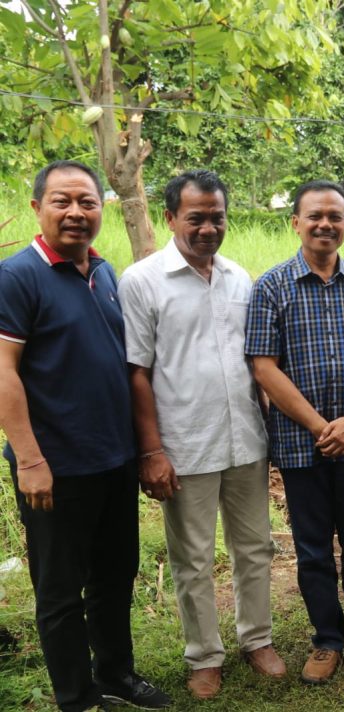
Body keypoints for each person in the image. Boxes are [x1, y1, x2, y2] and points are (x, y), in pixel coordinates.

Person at [0, 161, 171, 711]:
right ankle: (77, 698)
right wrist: (29, 459)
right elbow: (3, 368)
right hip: (54, 467)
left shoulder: (104, 273)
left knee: (115, 575)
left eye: (87, 202)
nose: (76, 213)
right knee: (59, 591)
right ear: (37, 209)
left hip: (112, 459)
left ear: (102, 208)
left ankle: (116, 675)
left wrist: (144, 449)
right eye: (62, 202)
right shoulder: (17, 276)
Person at [119, 170, 283, 700]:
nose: (208, 227)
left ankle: (256, 640)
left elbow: (257, 363)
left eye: (217, 217)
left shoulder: (240, 278)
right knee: (192, 558)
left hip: (245, 440)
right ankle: (203, 657)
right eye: (196, 217)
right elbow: (136, 372)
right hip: (184, 443)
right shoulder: (142, 281)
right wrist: (151, 450)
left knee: (254, 548)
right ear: (170, 218)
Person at [246, 179, 344, 685]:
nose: (325, 224)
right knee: (312, 548)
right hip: (298, 444)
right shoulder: (271, 286)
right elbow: (264, 367)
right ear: (296, 223)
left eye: (335, 215)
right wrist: (318, 426)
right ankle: (327, 639)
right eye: (315, 215)